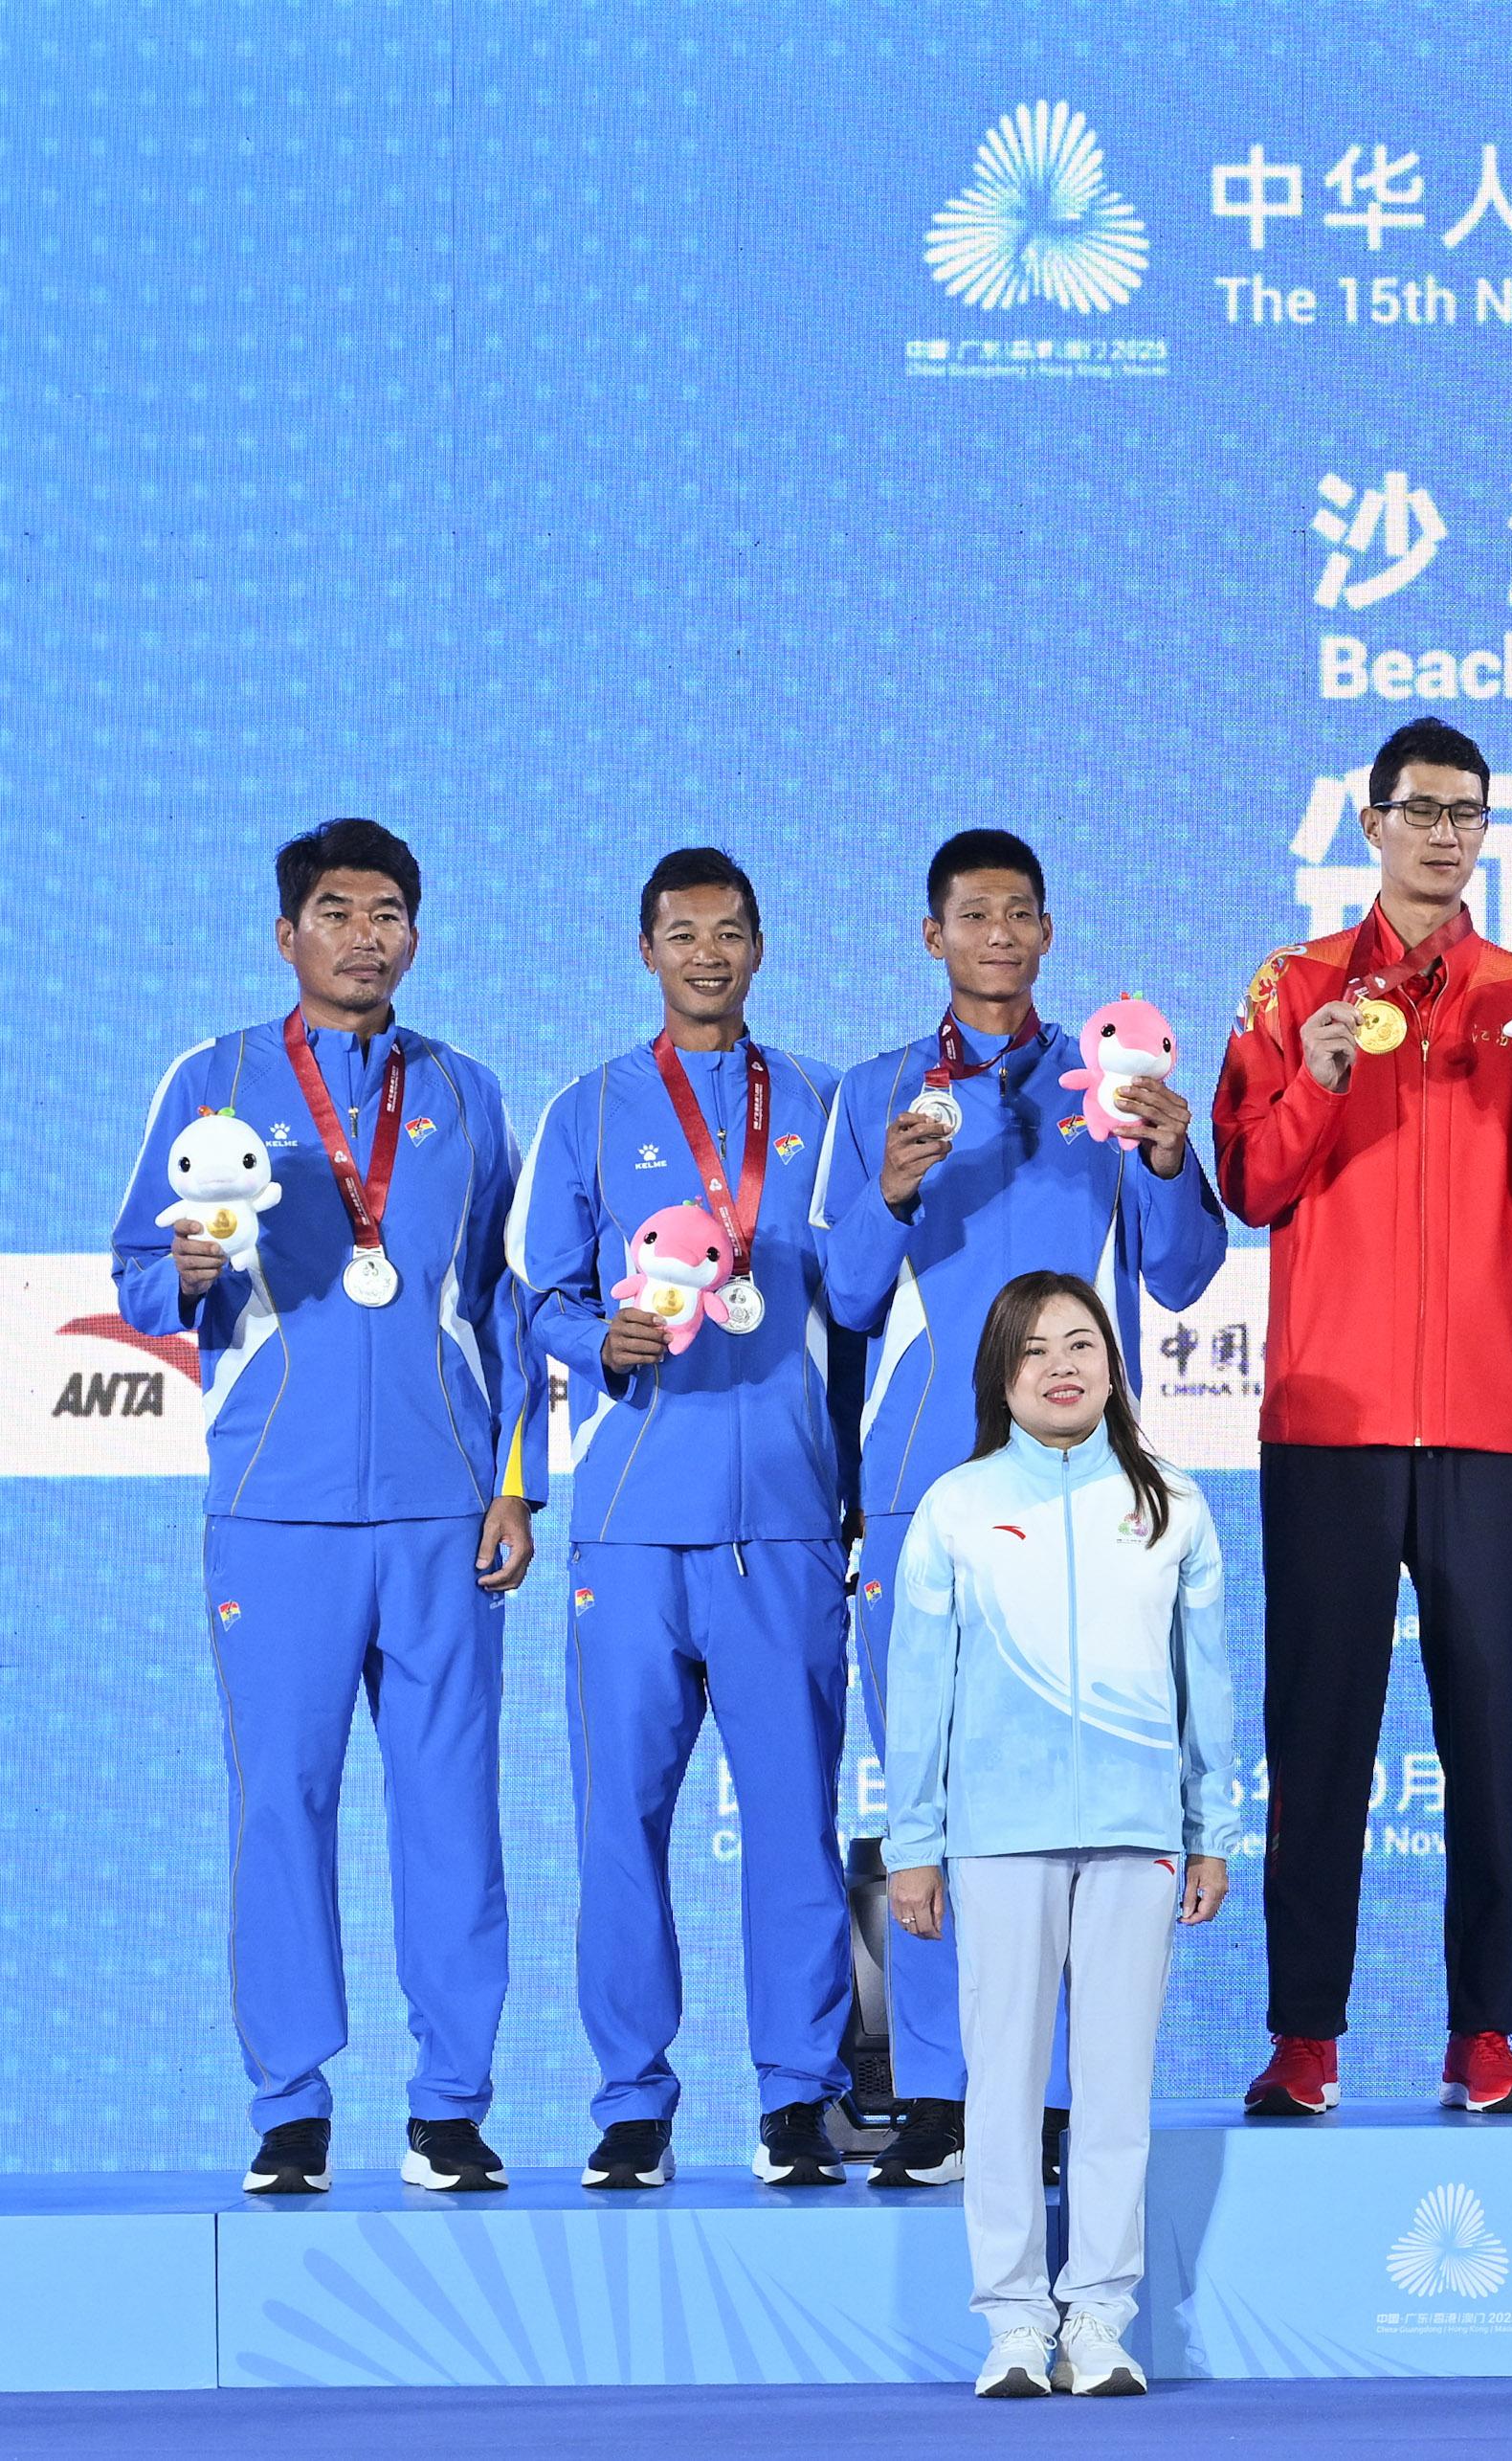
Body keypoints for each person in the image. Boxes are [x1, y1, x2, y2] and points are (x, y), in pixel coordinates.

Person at [111, 817, 543, 2196]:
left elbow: (510, 1309)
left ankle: (451, 2103)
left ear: (418, 931)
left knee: (451, 1811)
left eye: (392, 910)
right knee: (280, 1803)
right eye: (339, 909)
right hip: (273, 1506)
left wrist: (516, 1483)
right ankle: (289, 2104)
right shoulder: (217, 1078)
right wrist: (178, 1272)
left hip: (441, 1510)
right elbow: (135, 1276)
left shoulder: (467, 1093)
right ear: (287, 930)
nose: (368, 933)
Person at [1212, 716, 1512, 2119]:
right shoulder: (1294, 985)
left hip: (1487, 1418)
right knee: (1319, 1735)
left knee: (1489, 1735)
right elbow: (1250, 1186)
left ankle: (1483, 2032)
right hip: (1332, 1414)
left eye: (1469, 812)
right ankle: (1305, 2034)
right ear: (1368, 822)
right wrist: (1316, 1077)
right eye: (1419, 809)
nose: (1444, 833)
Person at [819, 828, 1226, 2185]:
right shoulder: (881, 1092)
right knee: (929, 1782)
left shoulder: (1107, 1082)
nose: (998, 933)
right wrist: (888, 1190)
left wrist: (1171, 1159)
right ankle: (937, 2084)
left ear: (1048, 932)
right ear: (930, 935)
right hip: (924, 1482)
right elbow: (846, 1291)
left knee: (1073, 1782)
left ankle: (1057, 2090)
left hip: (1079, 1486)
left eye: (1019, 913)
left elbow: (1174, 1280)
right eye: (971, 914)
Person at [517, 846, 856, 2190]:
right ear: (645, 950)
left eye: (728, 932)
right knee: (621, 1827)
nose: (706, 953)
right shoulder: (589, 1108)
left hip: (781, 1524)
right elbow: (531, 1296)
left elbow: (872, 1299)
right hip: (627, 1526)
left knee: (792, 1821)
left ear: (762, 948)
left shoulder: (825, 1106)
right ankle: (630, 2101)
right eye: (680, 932)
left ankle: (797, 2094)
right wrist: (599, 1334)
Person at [884, 1271, 1237, 2399]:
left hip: (1137, 1836)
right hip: (998, 1837)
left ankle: (1099, 2318)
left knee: (1116, 2088)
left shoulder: (1172, 1501)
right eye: (1034, 1351)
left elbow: (1208, 1686)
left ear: (1115, 1364)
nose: (1062, 1366)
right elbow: (916, 1689)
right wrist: (914, 1843)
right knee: (999, 2089)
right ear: (1002, 1374)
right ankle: (1010, 2325)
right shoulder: (957, 1505)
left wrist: (1209, 1828)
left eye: (1082, 1343)